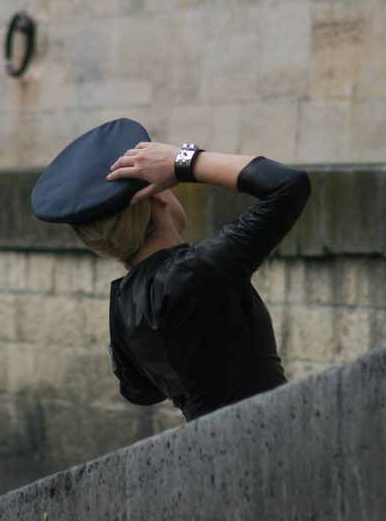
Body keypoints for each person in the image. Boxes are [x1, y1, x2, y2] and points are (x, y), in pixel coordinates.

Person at [31, 118, 311, 422]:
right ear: (158, 196)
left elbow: (140, 391)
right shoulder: (197, 270)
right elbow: (288, 185)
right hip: (270, 442)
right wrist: (183, 161)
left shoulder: (124, 304)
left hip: (205, 457)